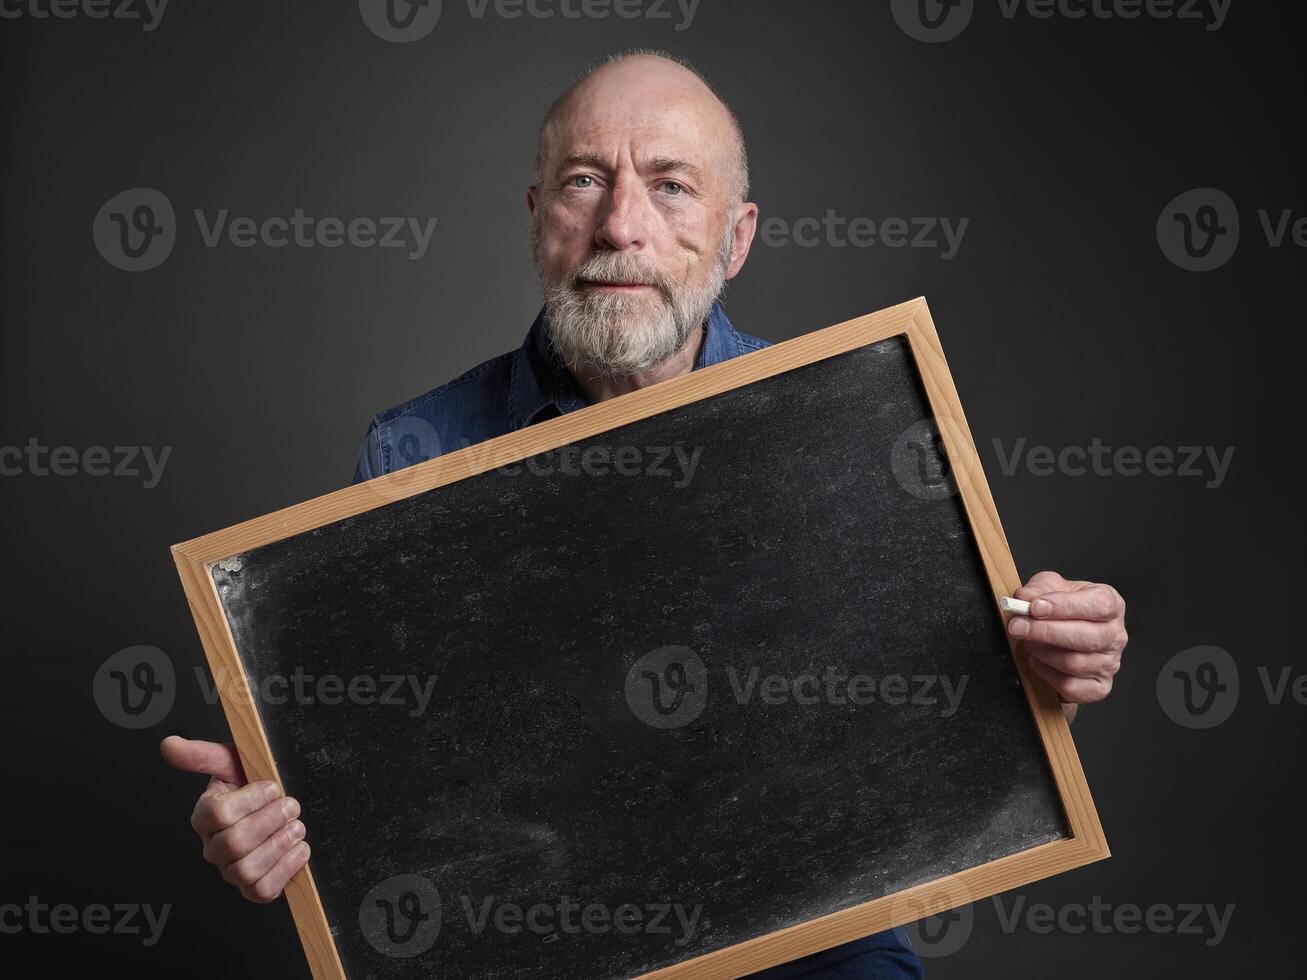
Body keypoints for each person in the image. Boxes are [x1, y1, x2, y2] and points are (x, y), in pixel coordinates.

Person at [163, 50, 1128, 977]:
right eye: (585, 181)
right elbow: (396, 800)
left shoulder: (850, 424)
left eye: (670, 184)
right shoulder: (412, 451)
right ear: (539, 219)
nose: (621, 226)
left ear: (737, 236)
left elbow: (916, 743)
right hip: (536, 941)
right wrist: (272, 827)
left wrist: (1039, 667)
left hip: (811, 939)